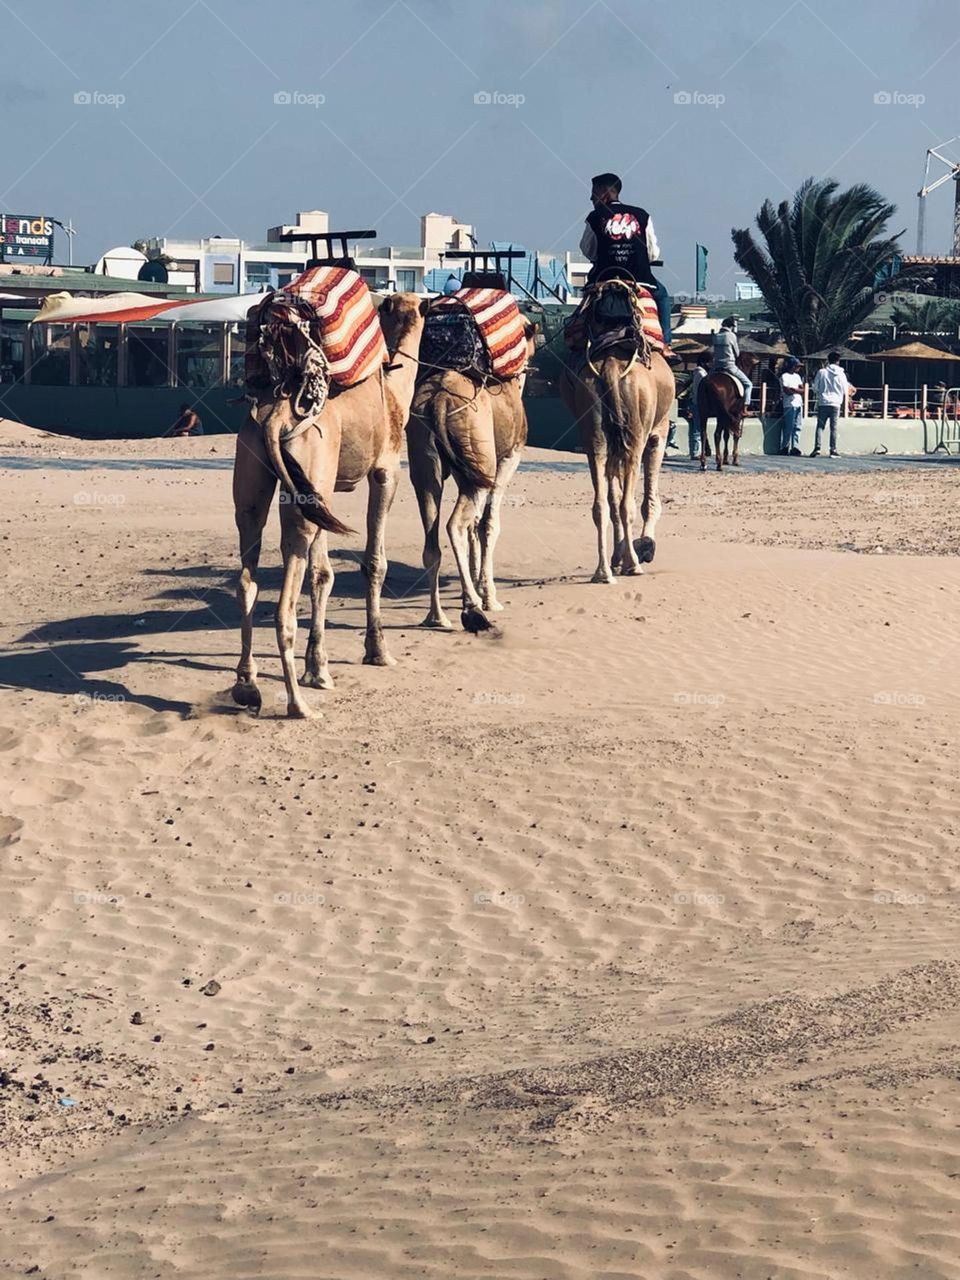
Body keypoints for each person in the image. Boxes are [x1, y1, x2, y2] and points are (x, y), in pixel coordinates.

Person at [579, 171, 673, 354]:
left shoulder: (595, 216)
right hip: (640, 280)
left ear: (604, 193)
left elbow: (587, 249)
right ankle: (666, 344)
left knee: (582, 310)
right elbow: (653, 253)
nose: (591, 197)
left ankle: (579, 343)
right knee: (662, 296)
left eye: (594, 193)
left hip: (603, 280)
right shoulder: (642, 215)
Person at [811, 352, 850, 457]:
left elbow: (815, 387)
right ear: (838, 361)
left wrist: (820, 393)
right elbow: (845, 390)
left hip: (823, 402)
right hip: (836, 403)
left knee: (820, 426)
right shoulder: (841, 374)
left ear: (828, 360)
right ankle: (833, 449)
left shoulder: (821, 372)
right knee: (834, 427)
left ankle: (817, 448)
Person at [712, 317, 752, 413]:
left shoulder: (716, 336)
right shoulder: (731, 335)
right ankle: (745, 408)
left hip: (716, 367)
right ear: (731, 326)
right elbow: (737, 353)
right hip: (729, 366)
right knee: (748, 384)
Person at [686, 354, 711, 458]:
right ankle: (696, 452)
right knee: (697, 429)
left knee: (698, 428)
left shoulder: (697, 373)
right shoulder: (701, 374)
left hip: (695, 402)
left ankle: (700, 450)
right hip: (697, 403)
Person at [779, 356, 805, 456]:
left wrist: (795, 390)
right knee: (788, 426)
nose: (798, 368)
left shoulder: (797, 377)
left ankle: (795, 447)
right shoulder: (784, 376)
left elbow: (802, 389)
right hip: (789, 404)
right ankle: (785, 446)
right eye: (796, 366)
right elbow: (787, 390)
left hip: (799, 403)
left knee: (797, 426)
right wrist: (795, 390)